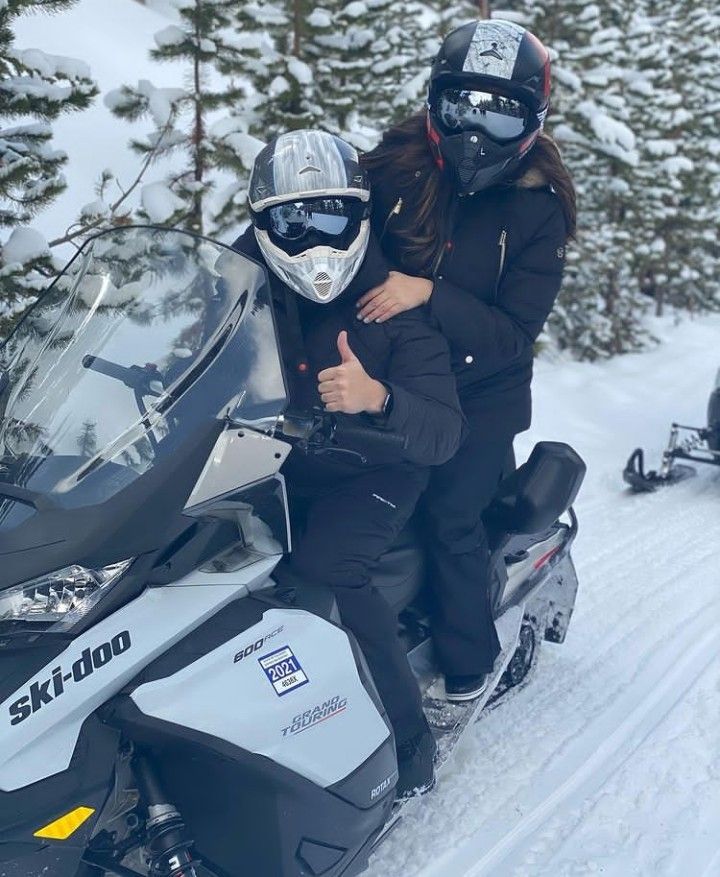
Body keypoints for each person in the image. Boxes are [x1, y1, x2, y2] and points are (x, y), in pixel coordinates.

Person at [232, 129, 464, 796]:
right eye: (294, 222)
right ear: (266, 224)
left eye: (331, 217)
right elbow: (194, 349)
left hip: (377, 468)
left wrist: (378, 398)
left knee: (327, 570)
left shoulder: (386, 303)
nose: (315, 240)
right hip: (272, 463)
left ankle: (409, 739)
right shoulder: (245, 285)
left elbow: (444, 431)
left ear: (359, 215)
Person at [359, 19, 576, 702]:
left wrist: (428, 293)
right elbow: (329, 226)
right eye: (463, 106)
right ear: (436, 102)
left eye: (502, 113)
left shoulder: (538, 208)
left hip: (481, 394)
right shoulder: (394, 167)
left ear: (533, 122)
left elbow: (515, 332)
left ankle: (467, 661)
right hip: (387, 375)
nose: (477, 131)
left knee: (450, 518)